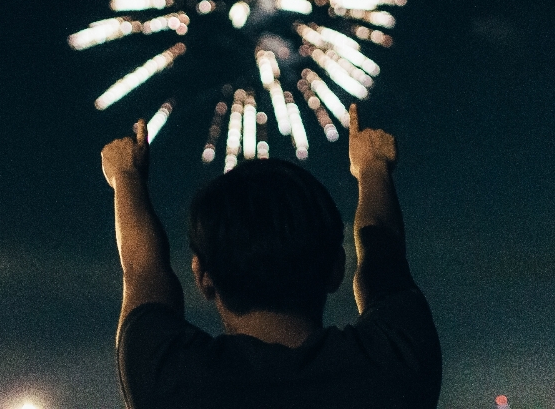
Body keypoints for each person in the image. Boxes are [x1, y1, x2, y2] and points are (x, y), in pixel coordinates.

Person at [101, 103, 441, 408]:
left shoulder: (169, 381)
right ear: (336, 269)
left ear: (203, 277)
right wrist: (373, 166)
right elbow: (384, 262)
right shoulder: (396, 367)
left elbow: (143, 271)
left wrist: (126, 176)